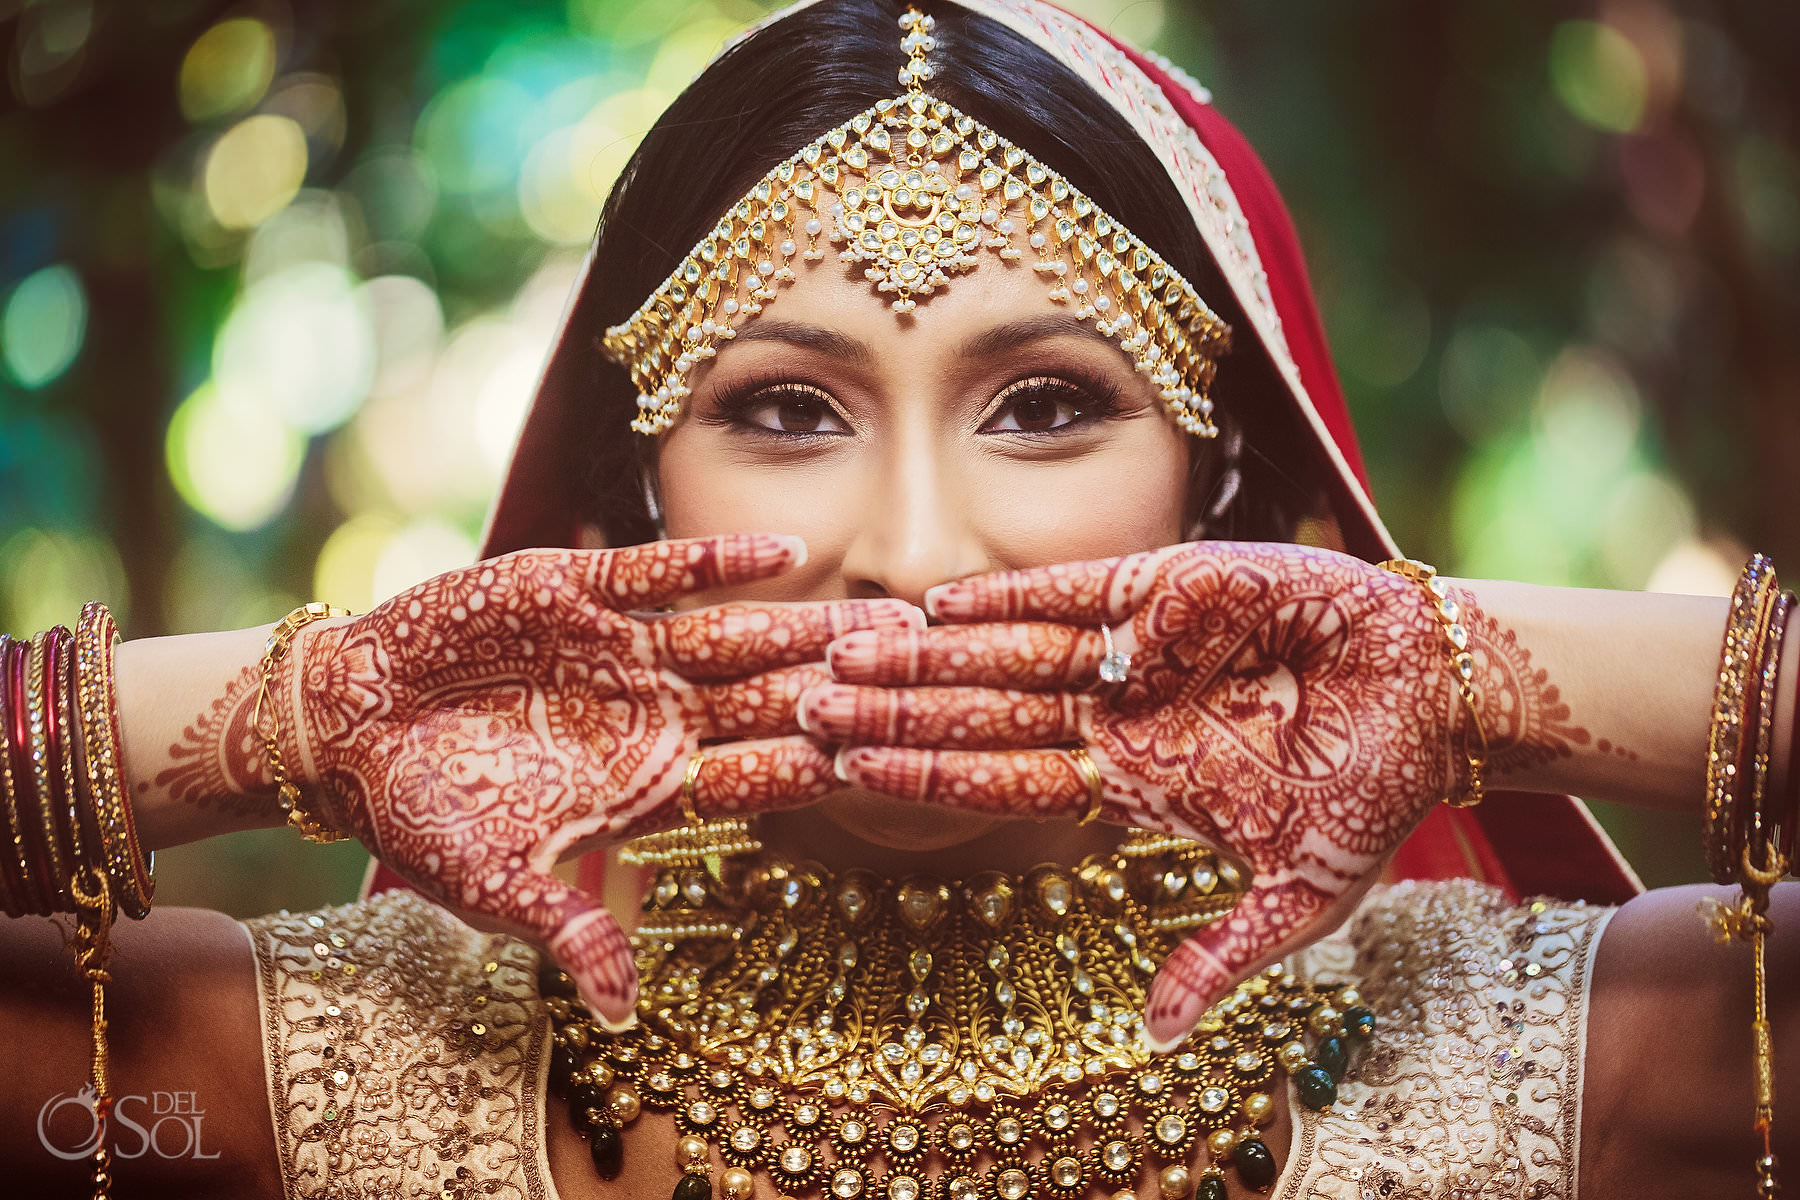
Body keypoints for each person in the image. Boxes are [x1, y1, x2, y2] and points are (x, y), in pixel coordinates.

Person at [1, 0, 1794, 1197]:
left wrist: (1471, 667)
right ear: (635, 491)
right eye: (785, 410)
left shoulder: (1562, 1047)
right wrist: (297, 712)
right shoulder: (336, 1052)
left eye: (1049, 406)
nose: (919, 555)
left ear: (1226, 486)